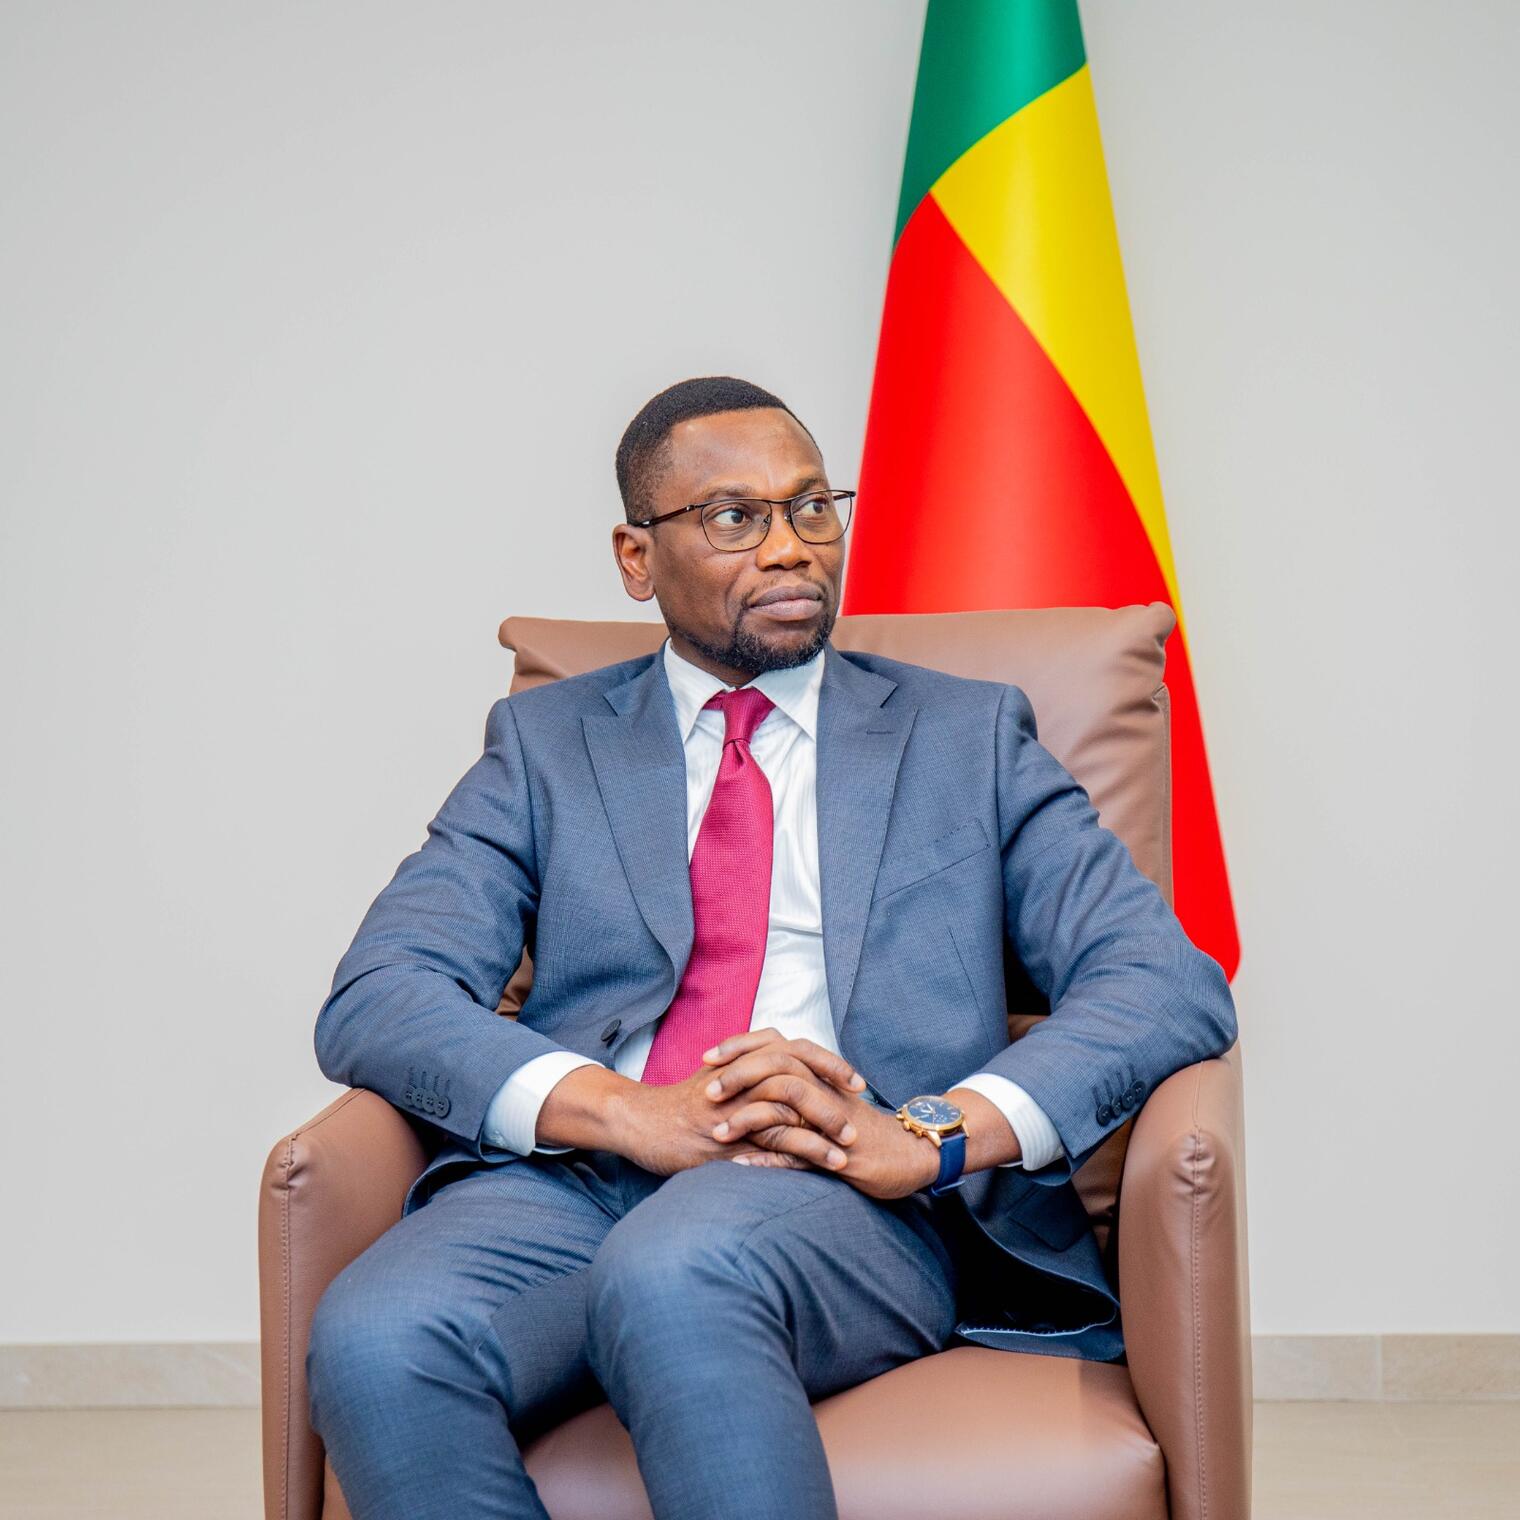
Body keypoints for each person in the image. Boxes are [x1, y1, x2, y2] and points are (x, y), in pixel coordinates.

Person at [305, 376, 1237, 1520]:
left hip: (848, 1191)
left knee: (674, 1267)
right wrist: (622, 1111)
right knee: (377, 1335)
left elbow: (1161, 983)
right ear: (636, 557)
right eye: (734, 516)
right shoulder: (546, 746)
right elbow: (380, 992)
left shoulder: (967, 736)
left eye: (810, 507)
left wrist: (926, 1133)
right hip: (577, 1180)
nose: (791, 546)